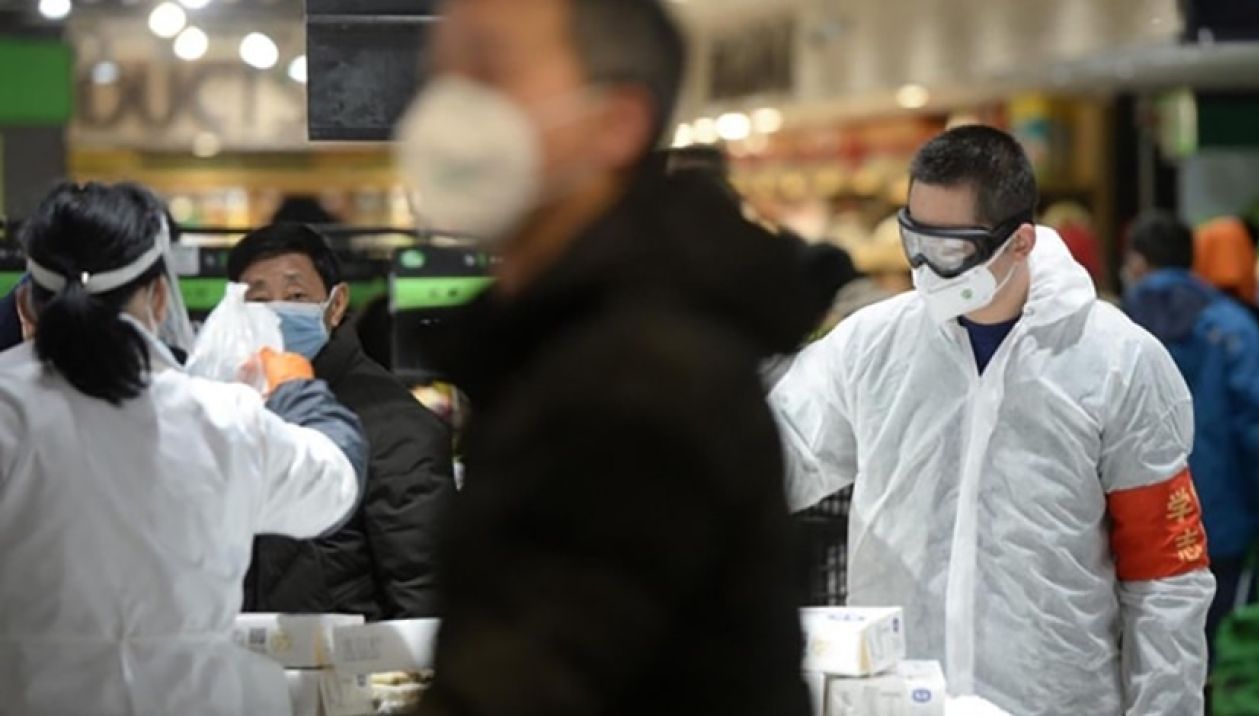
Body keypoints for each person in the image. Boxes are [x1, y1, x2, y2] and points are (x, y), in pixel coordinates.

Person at [398, 1, 814, 714]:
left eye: (488, 70)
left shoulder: (641, 374)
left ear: (616, 121)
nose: (446, 110)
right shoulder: (561, 338)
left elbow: (527, 682)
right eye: (438, 75)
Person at [769, 125, 1216, 715]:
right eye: (914, 240)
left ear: (1020, 242)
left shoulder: (1116, 362)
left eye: (950, 249)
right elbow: (771, 455)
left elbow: (1164, 575)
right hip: (902, 698)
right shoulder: (872, 348)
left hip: (1054, 702)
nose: (926, 267)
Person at [0, 182, 367, 716]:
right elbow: (334, 487)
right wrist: (295, 389)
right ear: (158, 297)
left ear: (27, 303)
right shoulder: (221, 417)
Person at [229, 222, 455, 620]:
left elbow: (423, 589)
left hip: (349, 656)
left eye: (296, 296)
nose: (275, 313)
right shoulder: (231, 410)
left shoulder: (396, 427)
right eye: (258, 300)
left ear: (335, 305)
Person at [1125, 211, 1259, 659]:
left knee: (1151, 653)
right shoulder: (1233, 326)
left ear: (1138, 263)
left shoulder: (1113, 330)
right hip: (1223, 521)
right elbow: (1256, 430)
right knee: (1221, 646)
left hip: (1138, 521)